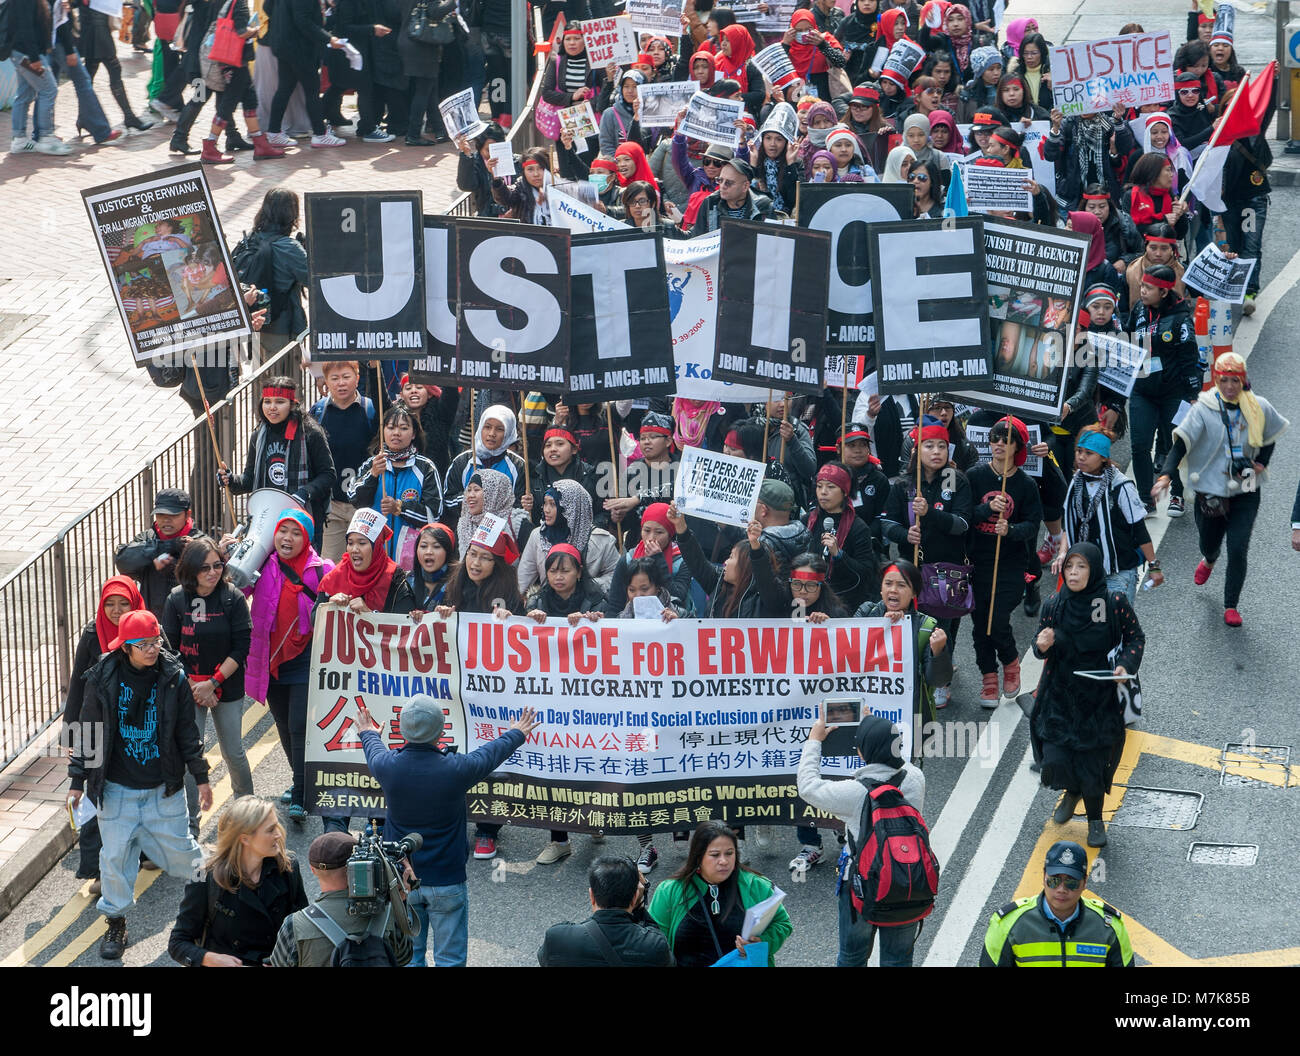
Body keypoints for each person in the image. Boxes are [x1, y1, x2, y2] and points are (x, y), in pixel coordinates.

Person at [67, 610, 211, 960]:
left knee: (184, 856)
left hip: (164, 789)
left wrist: (202, 777)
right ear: (126, 648)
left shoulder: (173, 677)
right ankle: (116, 923)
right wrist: (76, 781)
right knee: (114, 859)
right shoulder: (101, 677)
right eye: (143, 644)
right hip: (115, 789)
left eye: (156, 641)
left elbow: (186, 732)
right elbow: (87, 730)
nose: (152, 649)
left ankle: (212, 911)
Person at [354, 695, 540, 966]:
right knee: (450, 959)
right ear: (441, 732)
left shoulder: (388, 767)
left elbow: (373, 747)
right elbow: (489, 754)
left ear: (401, 730)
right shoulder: (456, 769)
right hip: (448, 880)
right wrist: (516, 732)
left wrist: (367, 732)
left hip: (401, 881)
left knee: (409, 957)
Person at [1153, 353, 1289, 627]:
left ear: (1243, 380)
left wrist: (1261, 462)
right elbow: (1181, 444)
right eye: (1224, 380)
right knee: (1209, 542)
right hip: (1211, 488)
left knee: (1238, 547)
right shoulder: (1203, 408)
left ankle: (1231, 605)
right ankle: (1210, 559)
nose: (1229, 386)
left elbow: (1269, 437)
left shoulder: (1258, 406)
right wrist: (1166, 476)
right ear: (1216, 379)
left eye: (1235, 380)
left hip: (1246, 486)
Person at [1032, 543, 1144, 848]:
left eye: (1081, 566)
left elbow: (1135, 637)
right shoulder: (1054, 604)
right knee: (1054, 761)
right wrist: (1041, 644)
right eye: (1069, 566)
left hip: (1097, 697)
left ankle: (1096, 820)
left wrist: (1125, 665)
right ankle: (1072, 790)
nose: (1074, 572)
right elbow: (1037, 643)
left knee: (1092, 764)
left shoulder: (1113, 601)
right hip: (1059, 696)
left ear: (1093, 569)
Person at [798, 713, 927, 966]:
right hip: (907, 879)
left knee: (852, 957)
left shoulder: (854, 793)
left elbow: (808, 787)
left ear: (861, 752)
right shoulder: (915, 778)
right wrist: (877, 725)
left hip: (860, 885)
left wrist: (814, 740)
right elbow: (900, 762)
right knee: (898, 960)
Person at [230, 509, 332, 823]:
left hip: (305, 659)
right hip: (269, 660)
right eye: (282, 531)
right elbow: (234, 590)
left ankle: (302, 794)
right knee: (285, 728)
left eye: (296, 532)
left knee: (299, 727)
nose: (287, 538)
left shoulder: (322, 569)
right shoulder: (262, 564)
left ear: (308, 538)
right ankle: (298, 778)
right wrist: (234, 554)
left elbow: (343, 596)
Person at [162, 536, 255, 839]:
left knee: (233, 751)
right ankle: (190, 823)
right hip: (189, 688)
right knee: (192, 757)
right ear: (191, 570)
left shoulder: (233, 597)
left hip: (225, 684)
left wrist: (213, 682)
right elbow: (170, 650)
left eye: (217, 565)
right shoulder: (176, 599)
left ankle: (247, 810)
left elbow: (242, 648)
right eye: (205, 568)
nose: (213, 572)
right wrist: (195, 686)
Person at [64, 576, 147, 894]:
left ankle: (143, 852)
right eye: (109, 603)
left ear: (134, 603)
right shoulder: (91, 633)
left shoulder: (147, 629)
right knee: (95, 797)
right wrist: (72, 735)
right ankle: (99, 870)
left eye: (123, 603)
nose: (115, 610)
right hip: (97, 728)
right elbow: (78, 688)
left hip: (136, 730)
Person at [168, 796, 308, 966]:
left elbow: (303, 930)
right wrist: (211, 959)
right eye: (270, 830)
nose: (279, 834)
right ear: (245, 839)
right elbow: (178, 942)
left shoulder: (287, 867)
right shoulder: (205, 876)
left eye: (277, 826)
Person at [967, 417, 1042, 708]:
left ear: (1016, 447)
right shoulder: (974, 477)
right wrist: (986, 508)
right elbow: (965, 514)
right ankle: (988, 677)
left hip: (1011, 564)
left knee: (996, 619)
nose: (998, 444)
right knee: (979, 623)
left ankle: (1010, 663)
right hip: (977, 562)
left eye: (1005, 440)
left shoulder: (1025, 484)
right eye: (994, 439)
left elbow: (1033, 525)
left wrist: (1010, 530)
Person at [647, 820, 793, 967]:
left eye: (729, 853)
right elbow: (653, 942)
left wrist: (763, 941)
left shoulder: (757, 886)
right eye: (715, 855)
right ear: (698, 856)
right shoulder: (669, 891)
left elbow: (782, 923)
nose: (724, 861)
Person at [981, 840, 1134, 966]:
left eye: (1071, 882)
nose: (1061, 889)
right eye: (1054, 881)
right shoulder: (1007, 924)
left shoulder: (1110, 926)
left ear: (1084, 882)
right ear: (1043, 876)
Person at [270, 830, 412, 966]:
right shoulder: (387, 913)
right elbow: (404, 957)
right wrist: (400, 901)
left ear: (312, 870)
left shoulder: (295, 925)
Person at [220, 377, 337, 537]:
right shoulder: (258, 435)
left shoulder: (311, 433)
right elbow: (249, 479)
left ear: (292, 404)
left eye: (280, 402)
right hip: (266, 520)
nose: (272, 407)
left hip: (303, 519)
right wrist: (231, 480)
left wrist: (304, 493)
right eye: (267, 401)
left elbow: (328, 475)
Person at [1126, 264, 1198, 516]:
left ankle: (1177, 493)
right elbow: (1130, 341)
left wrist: (1192, 396)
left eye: (1148, 287)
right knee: (1140, 446)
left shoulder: (1181, 319)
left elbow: (1190, 360)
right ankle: (1146, 498)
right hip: (1143, 391)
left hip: (1173, 394)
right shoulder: (1138, 310)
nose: (1142, 291)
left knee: (1173, 443)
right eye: (1142, 285)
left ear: (1164, 292)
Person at [1058, 426, 1160, 603]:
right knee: (1084, 625)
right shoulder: (1077, 481)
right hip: (1083, 569)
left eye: (1089, 453)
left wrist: (1154, 566)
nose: (1081, 457)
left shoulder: (1121, 486)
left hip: (1118, 572)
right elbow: (1069, 523)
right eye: (1079, 451)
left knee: (1116, 626)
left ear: (1103, 457)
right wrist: (1062, 553)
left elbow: (1139, 529)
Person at [346, 402, 445, 565]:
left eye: (404, 428)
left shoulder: (426, 468)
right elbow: (355, 500)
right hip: (374, 554)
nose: (396, 433)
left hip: (411, 557)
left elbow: (433, 516)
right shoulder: (372, 464)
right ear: (383, 430)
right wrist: (373, 475)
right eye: (391, 427)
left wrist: (400, 508)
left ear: (413, 434)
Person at [537, 856, 673, 967]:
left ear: (592, 896)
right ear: (634, 898)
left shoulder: (557, 938)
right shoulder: (654, 946)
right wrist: (640, 906)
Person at [311, 361, 379, 561]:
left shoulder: (370, 409)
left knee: (365, 562)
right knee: (330, 564)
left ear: (357, 379)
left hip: (365, 504)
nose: (341, 383)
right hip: (332, 505)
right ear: (326, 382)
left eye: (346, 377)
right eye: (335, 378)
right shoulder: (318, 411)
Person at [265, 0, 348, 147]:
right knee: (312, 90)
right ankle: (320, 134)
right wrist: (328, 38)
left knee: (285, 88)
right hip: (299, 48)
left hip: (284, 44)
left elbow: (268, 7)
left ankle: (274, 132)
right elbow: (303, 21)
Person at [518, 479, 619, 595]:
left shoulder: (602, 540)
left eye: (553, 504)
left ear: (570, 508)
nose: (546, 510)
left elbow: (616, 576)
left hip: (588, 607)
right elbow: (522, 581)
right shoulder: (538, 536)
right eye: (545, 503)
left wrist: (588, 585)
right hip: (549, 607)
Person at [115, 488, 203, 619]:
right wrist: (168, 546)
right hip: (152, 621)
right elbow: (123, 561)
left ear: (187, 514)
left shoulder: (200, 542)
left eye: (173, 515)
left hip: (189, 621)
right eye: (161, 515)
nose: (166, 520)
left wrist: (176, 568)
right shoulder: (147, 538)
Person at [443, 403, 527, 514]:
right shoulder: (462, 462)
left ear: (508, 433)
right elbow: (448, 501)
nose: (492, 434)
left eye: (499, 429)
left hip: (503, 528)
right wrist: (472, 498)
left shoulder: (518, 465)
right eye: (487, 427)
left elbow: (519, 505)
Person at [687, 158, 776, 234]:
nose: (722, 186)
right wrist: (672, 228)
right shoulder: (710, 202)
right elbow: (696, 237)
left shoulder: (764, 206)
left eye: (729, 183)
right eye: (720, 180)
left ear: (745, 186)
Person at [409, 522, 458, 610]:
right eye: (423, 546)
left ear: (448, 551)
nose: (429, 552)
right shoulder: (405, 582)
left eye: (436, 547)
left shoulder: (458, 585)